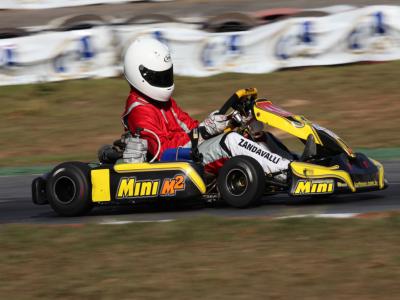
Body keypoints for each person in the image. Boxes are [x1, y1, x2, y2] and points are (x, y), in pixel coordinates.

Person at [121, 38, 290, 179]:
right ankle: (286, 173)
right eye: (159, 77)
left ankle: (294, 162)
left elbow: (191, 128)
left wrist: (218, 124)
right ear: (140, 75)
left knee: (250, 134)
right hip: (175, 163)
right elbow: (163, 151)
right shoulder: (139, 111)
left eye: (167, 75)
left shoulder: (164, 103)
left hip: (189, 154)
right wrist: (204, 132)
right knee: (230, 141)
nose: (165, 81)